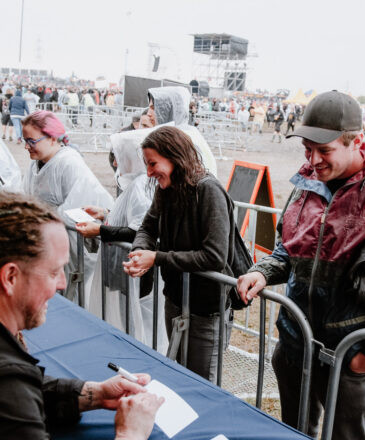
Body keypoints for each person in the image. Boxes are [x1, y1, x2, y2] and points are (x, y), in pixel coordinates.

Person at [238, 91, 365, 439]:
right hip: (295, 342)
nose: (313, 160)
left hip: (348, 351)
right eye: (307, 149)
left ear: (355, 141)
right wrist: (260, 272)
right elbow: (289, 250)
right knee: (294, 431)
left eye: (324, 150)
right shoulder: (307, 182)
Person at [0, 191, 163, 440]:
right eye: (54, 272)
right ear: (11, 278)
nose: (63, 284)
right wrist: (130, 433)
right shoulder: (9, 382)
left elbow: (30, 389)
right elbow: (16, 394)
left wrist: (95, 393)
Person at [123, 126, 236, 383]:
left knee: (201, 385)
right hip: (175, 300)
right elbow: (147, 227)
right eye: (146, 164)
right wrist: (140, 251)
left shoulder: (209, 191)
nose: (149, 172)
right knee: (178, 376)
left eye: (153, 163)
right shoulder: (166, 189)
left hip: (207, 310)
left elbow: (214, 256)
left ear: (174, 157)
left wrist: (157, 258)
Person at [76, 127, 168, 353]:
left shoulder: (140, 186)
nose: (115, 163)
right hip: (123, 269)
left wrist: (100, 231)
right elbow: (131, 220)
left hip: (132, 271)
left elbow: (139, 230)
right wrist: (106, 214)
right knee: (127, 322)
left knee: (137, 326)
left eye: (118, 156)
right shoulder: (135, 184)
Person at [21, 110, 114, 302]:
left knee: (73, 295)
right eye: (25, 140)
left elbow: (76, 207)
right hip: (47, 241)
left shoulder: (69, 162)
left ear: (52, 138)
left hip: (71, 245)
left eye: (31, 141)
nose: (26, 146)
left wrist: (36, 219)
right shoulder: (35, 164)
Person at [146, 86, 217, 176]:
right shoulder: (175, 136)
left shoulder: (184, 140)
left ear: (168, 109)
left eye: (153, 108)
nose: (148, 113)